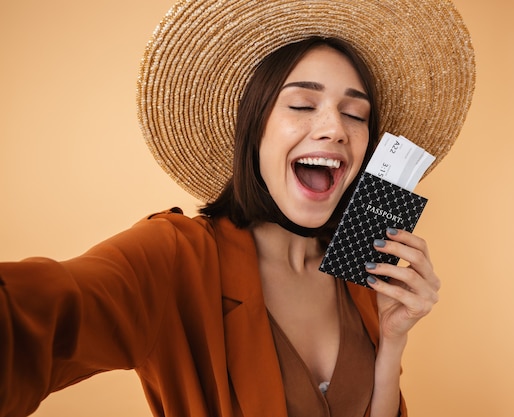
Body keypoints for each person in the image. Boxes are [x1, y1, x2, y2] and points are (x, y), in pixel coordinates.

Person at [0, 0, 475, 416]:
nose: (335, 128)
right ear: (256, 130)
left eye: (355, 114)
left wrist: (393, 341)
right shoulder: (175, 256)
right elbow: (43, 313)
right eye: (303, 105)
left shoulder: (363, 273)